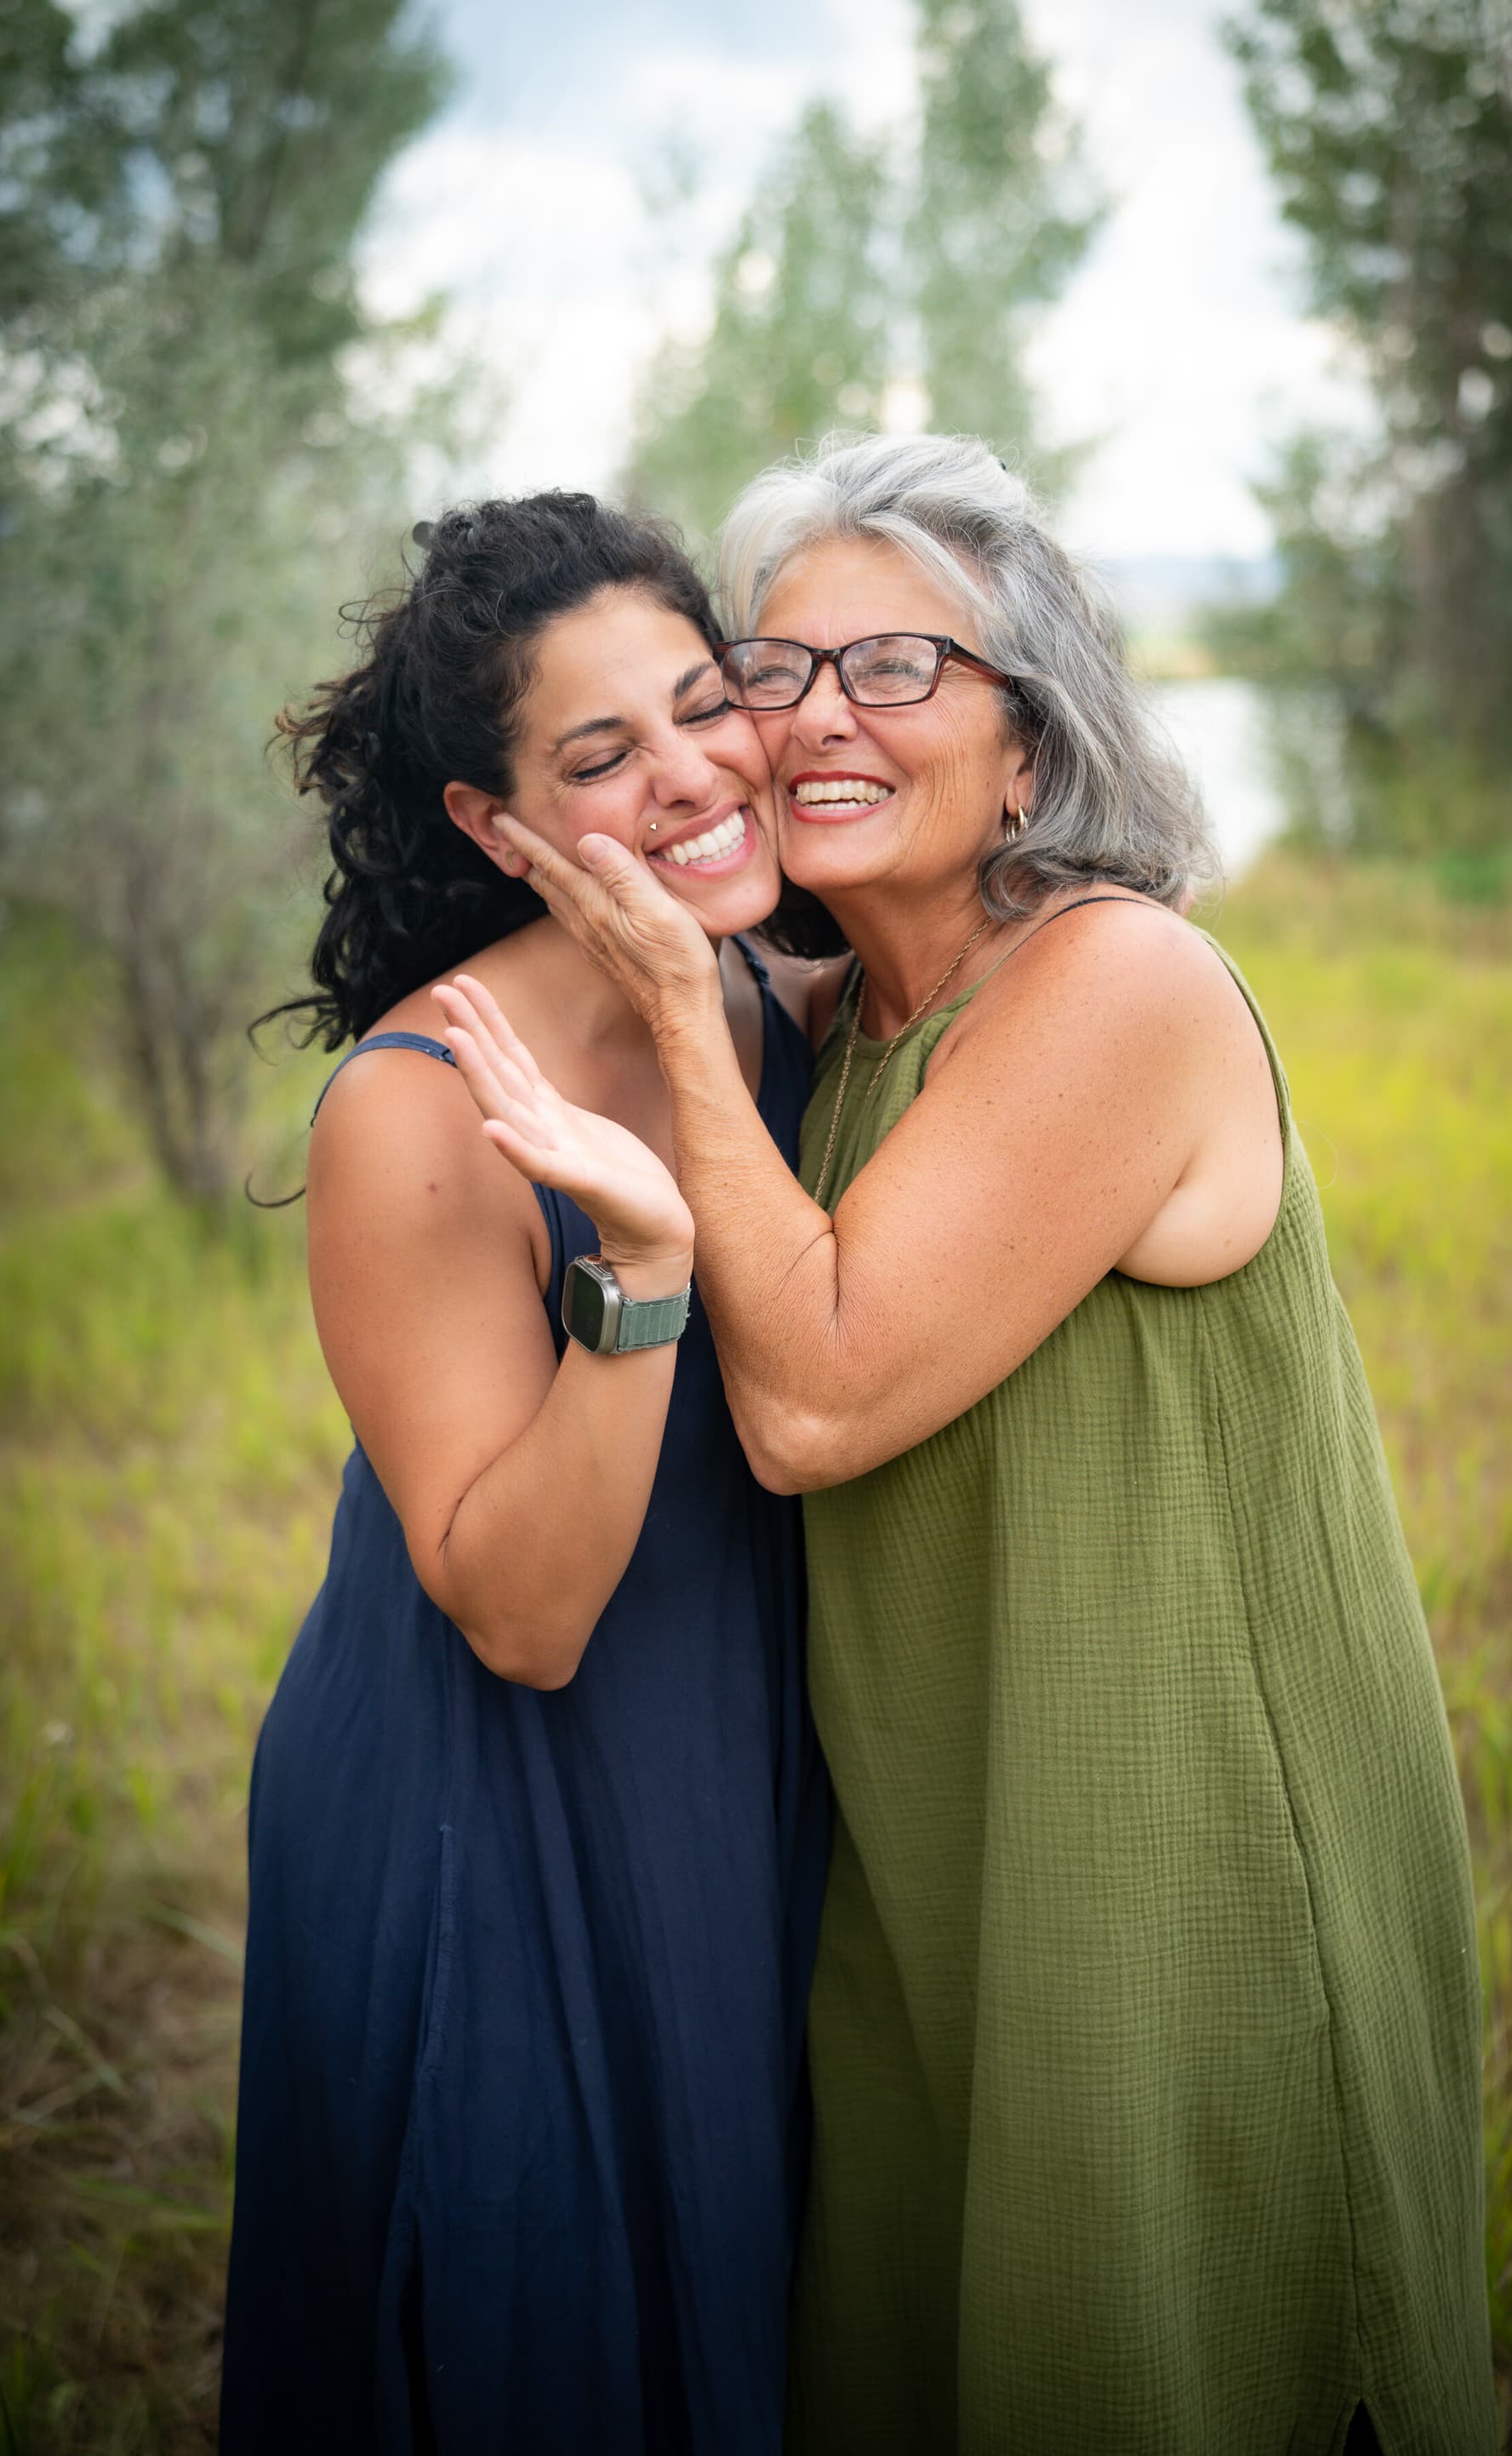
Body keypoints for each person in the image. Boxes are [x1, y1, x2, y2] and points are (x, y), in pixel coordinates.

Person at [463, 435, 1496, 2456]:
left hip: (1176, 1858)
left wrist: (679, 1008)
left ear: (1032, 752)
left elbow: (816, 1397)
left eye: (901, 670)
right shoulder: (833, 1031)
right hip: (948, 1862)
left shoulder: (1122, 983)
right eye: (781, 668)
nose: (820, 716)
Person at [220, 492, 829, 2456]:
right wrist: (641, 1270)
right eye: (599, 756)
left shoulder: (784, 1011)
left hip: (737, 1764)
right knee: (527, 2329)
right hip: (492, 1800)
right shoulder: (419, 1114)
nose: (688, 777)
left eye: (701, 704)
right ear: (498, 829)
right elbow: (522, 1612)